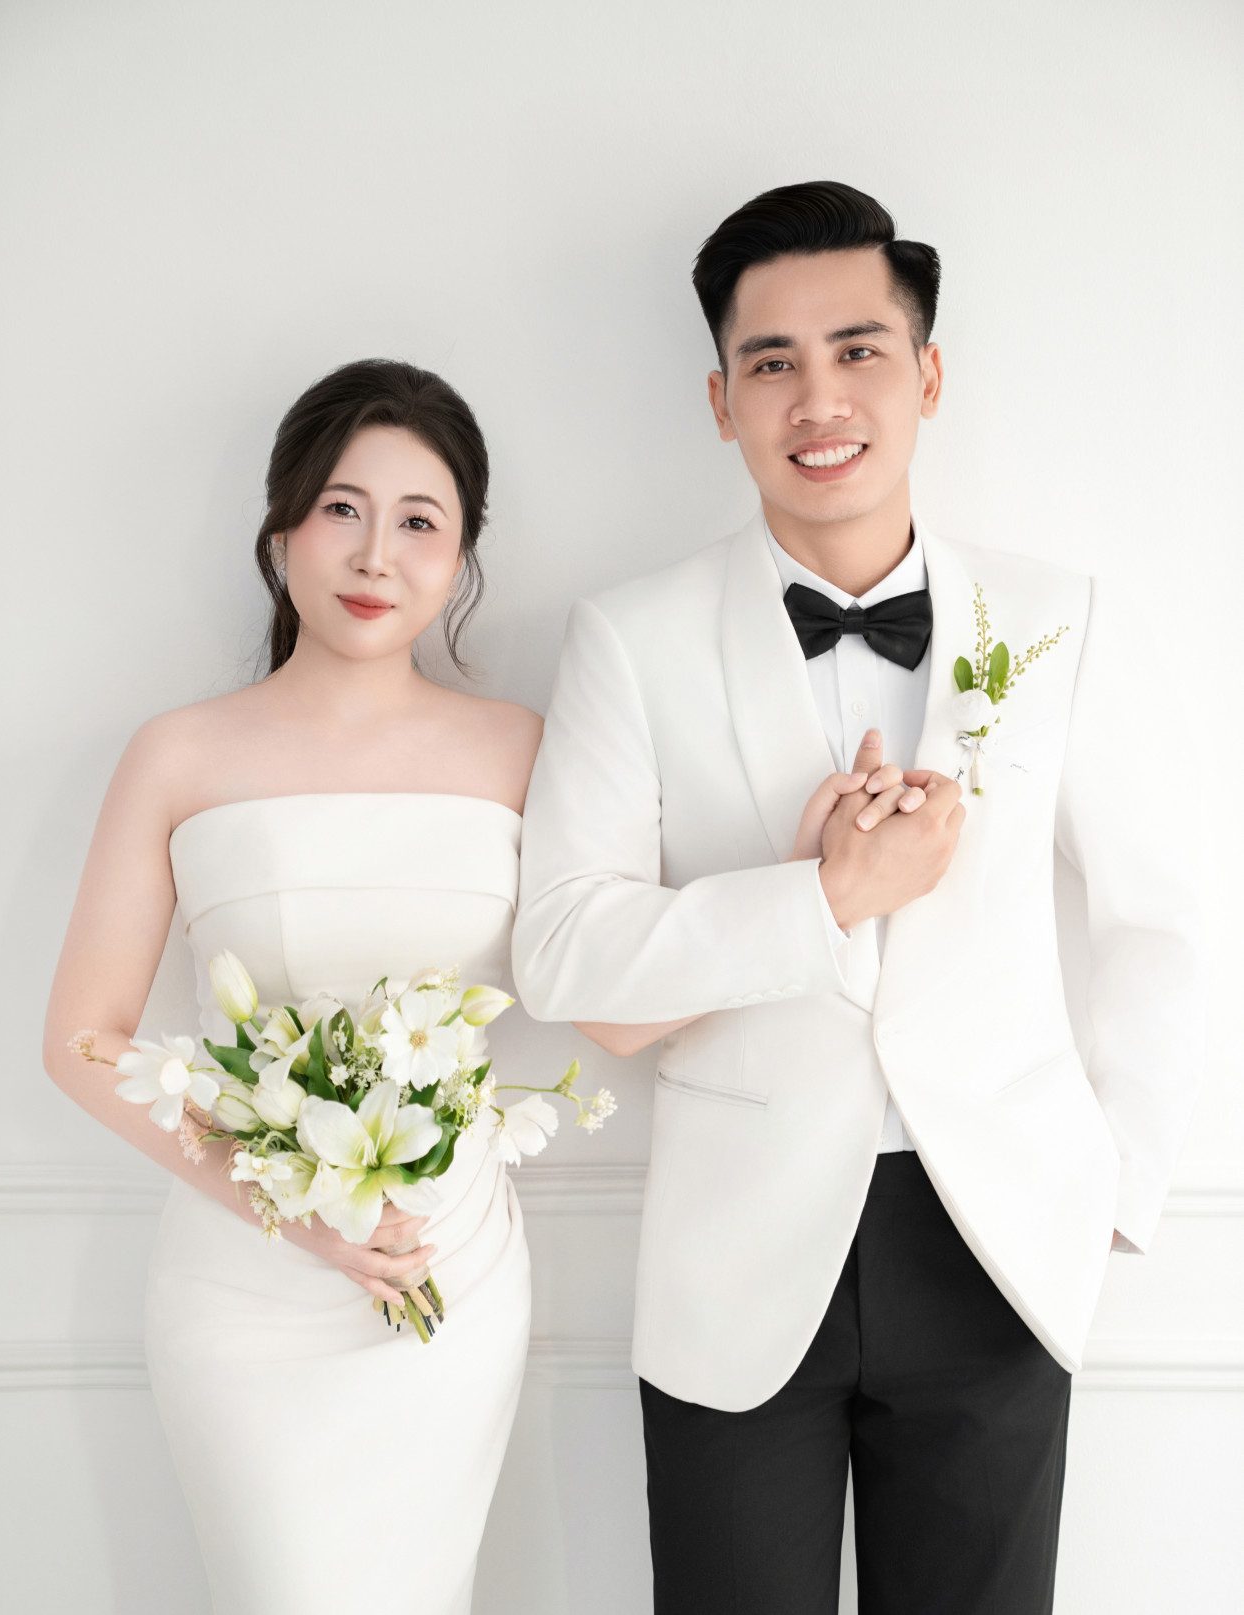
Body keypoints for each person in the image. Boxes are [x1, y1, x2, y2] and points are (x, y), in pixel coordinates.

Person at [511, 181, 1203, 1613]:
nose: (817, 397)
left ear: (926, 374)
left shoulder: (1055, 617)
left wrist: (1115, 1181)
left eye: (857, 349)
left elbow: (1159, 920)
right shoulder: (627, 636)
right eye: (770, 361)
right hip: (734, 1256)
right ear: (720, 401)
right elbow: (565, 949)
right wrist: (814, 896)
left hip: (995, 1232)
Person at [42, 358, 541, 1614]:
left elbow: (620, 964)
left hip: (448, 1270)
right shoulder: (179, 752)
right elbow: (83, 1038)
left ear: (462, 557)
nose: (375, 554)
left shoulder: (524, 750)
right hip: (243, 1287)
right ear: (281, 532)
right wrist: (294, 1212)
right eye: (340, 509)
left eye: (419, 521)